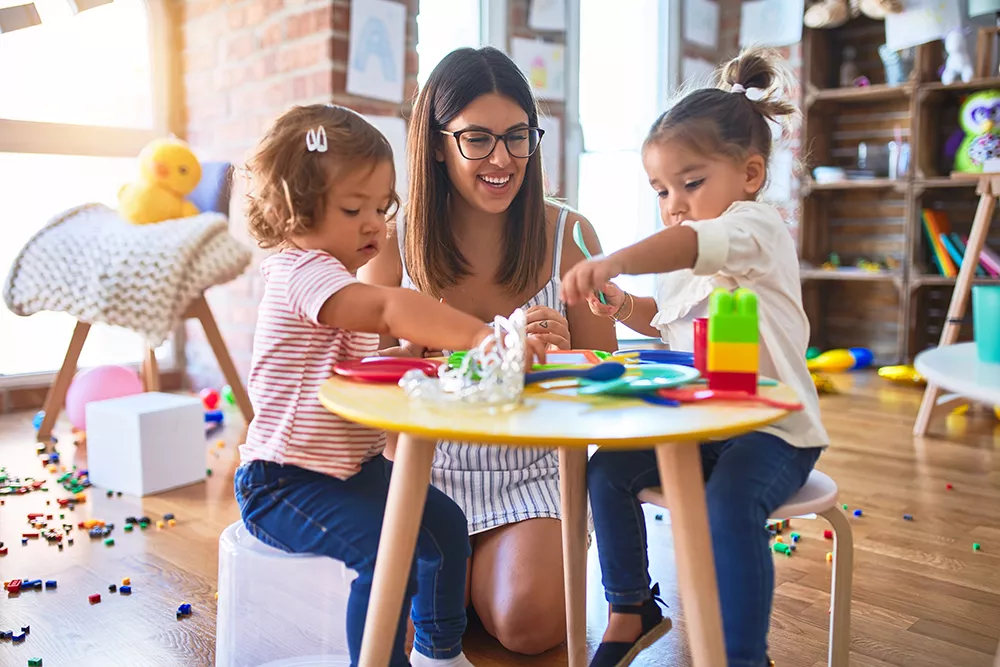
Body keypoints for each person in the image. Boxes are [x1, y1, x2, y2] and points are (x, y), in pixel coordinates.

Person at [234, 103, 546, 667]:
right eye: (355, 208)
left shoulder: (334, 280)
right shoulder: (302, 271)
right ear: (292, 211)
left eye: (382, 207)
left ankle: (439, 654)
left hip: (352, 472)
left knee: (445, 528)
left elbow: (355, 365)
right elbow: (387, 305)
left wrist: (408, 356)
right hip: (284, 482)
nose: (376, 224)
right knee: (388, 556)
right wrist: (481, 337)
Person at [560, 47, 829, 667]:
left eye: (691, 182)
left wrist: (620, 257)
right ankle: (632, 607)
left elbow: (688, 242)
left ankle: (741, 656)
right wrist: (623, 304)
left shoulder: (753, 228)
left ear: (751, 175)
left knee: (729, 503)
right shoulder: (693, 255)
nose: (675, 202)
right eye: (660, 190)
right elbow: (671, 321)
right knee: (606, 472)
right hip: (707, 425)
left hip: (774, 429)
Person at [359, 46, 618, 654]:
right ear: (437, 142)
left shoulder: (570, 235)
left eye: (517, 136)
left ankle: (470, 582)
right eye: (477, 139)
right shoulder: (391, 244)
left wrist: (564, 358)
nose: (502, 159)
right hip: (425, 471)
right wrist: (417, 357)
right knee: (404, 619)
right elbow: (369, 400)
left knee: (530, 626)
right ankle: (463, 580)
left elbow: (610, 380)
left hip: (533, 472)